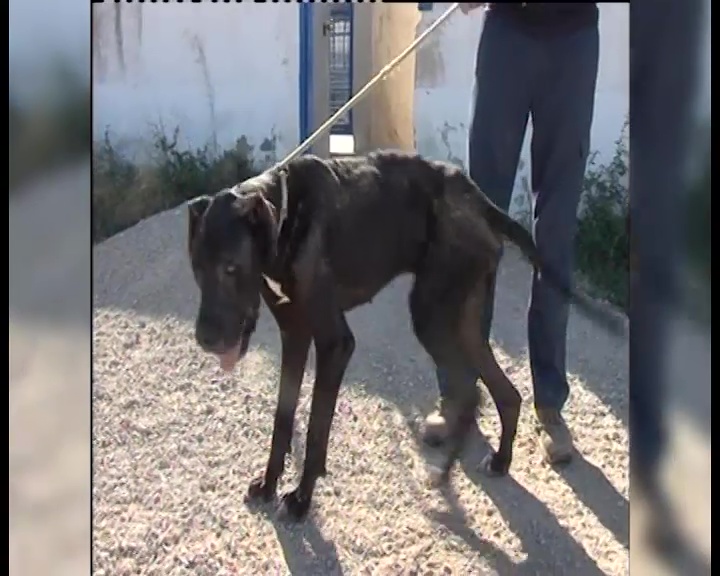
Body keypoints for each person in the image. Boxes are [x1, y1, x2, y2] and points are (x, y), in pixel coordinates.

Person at [423, 2, 600, 465]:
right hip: (508, 37)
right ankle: (459, 392)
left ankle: (549, 406)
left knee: (556, 232)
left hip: (574, 42)